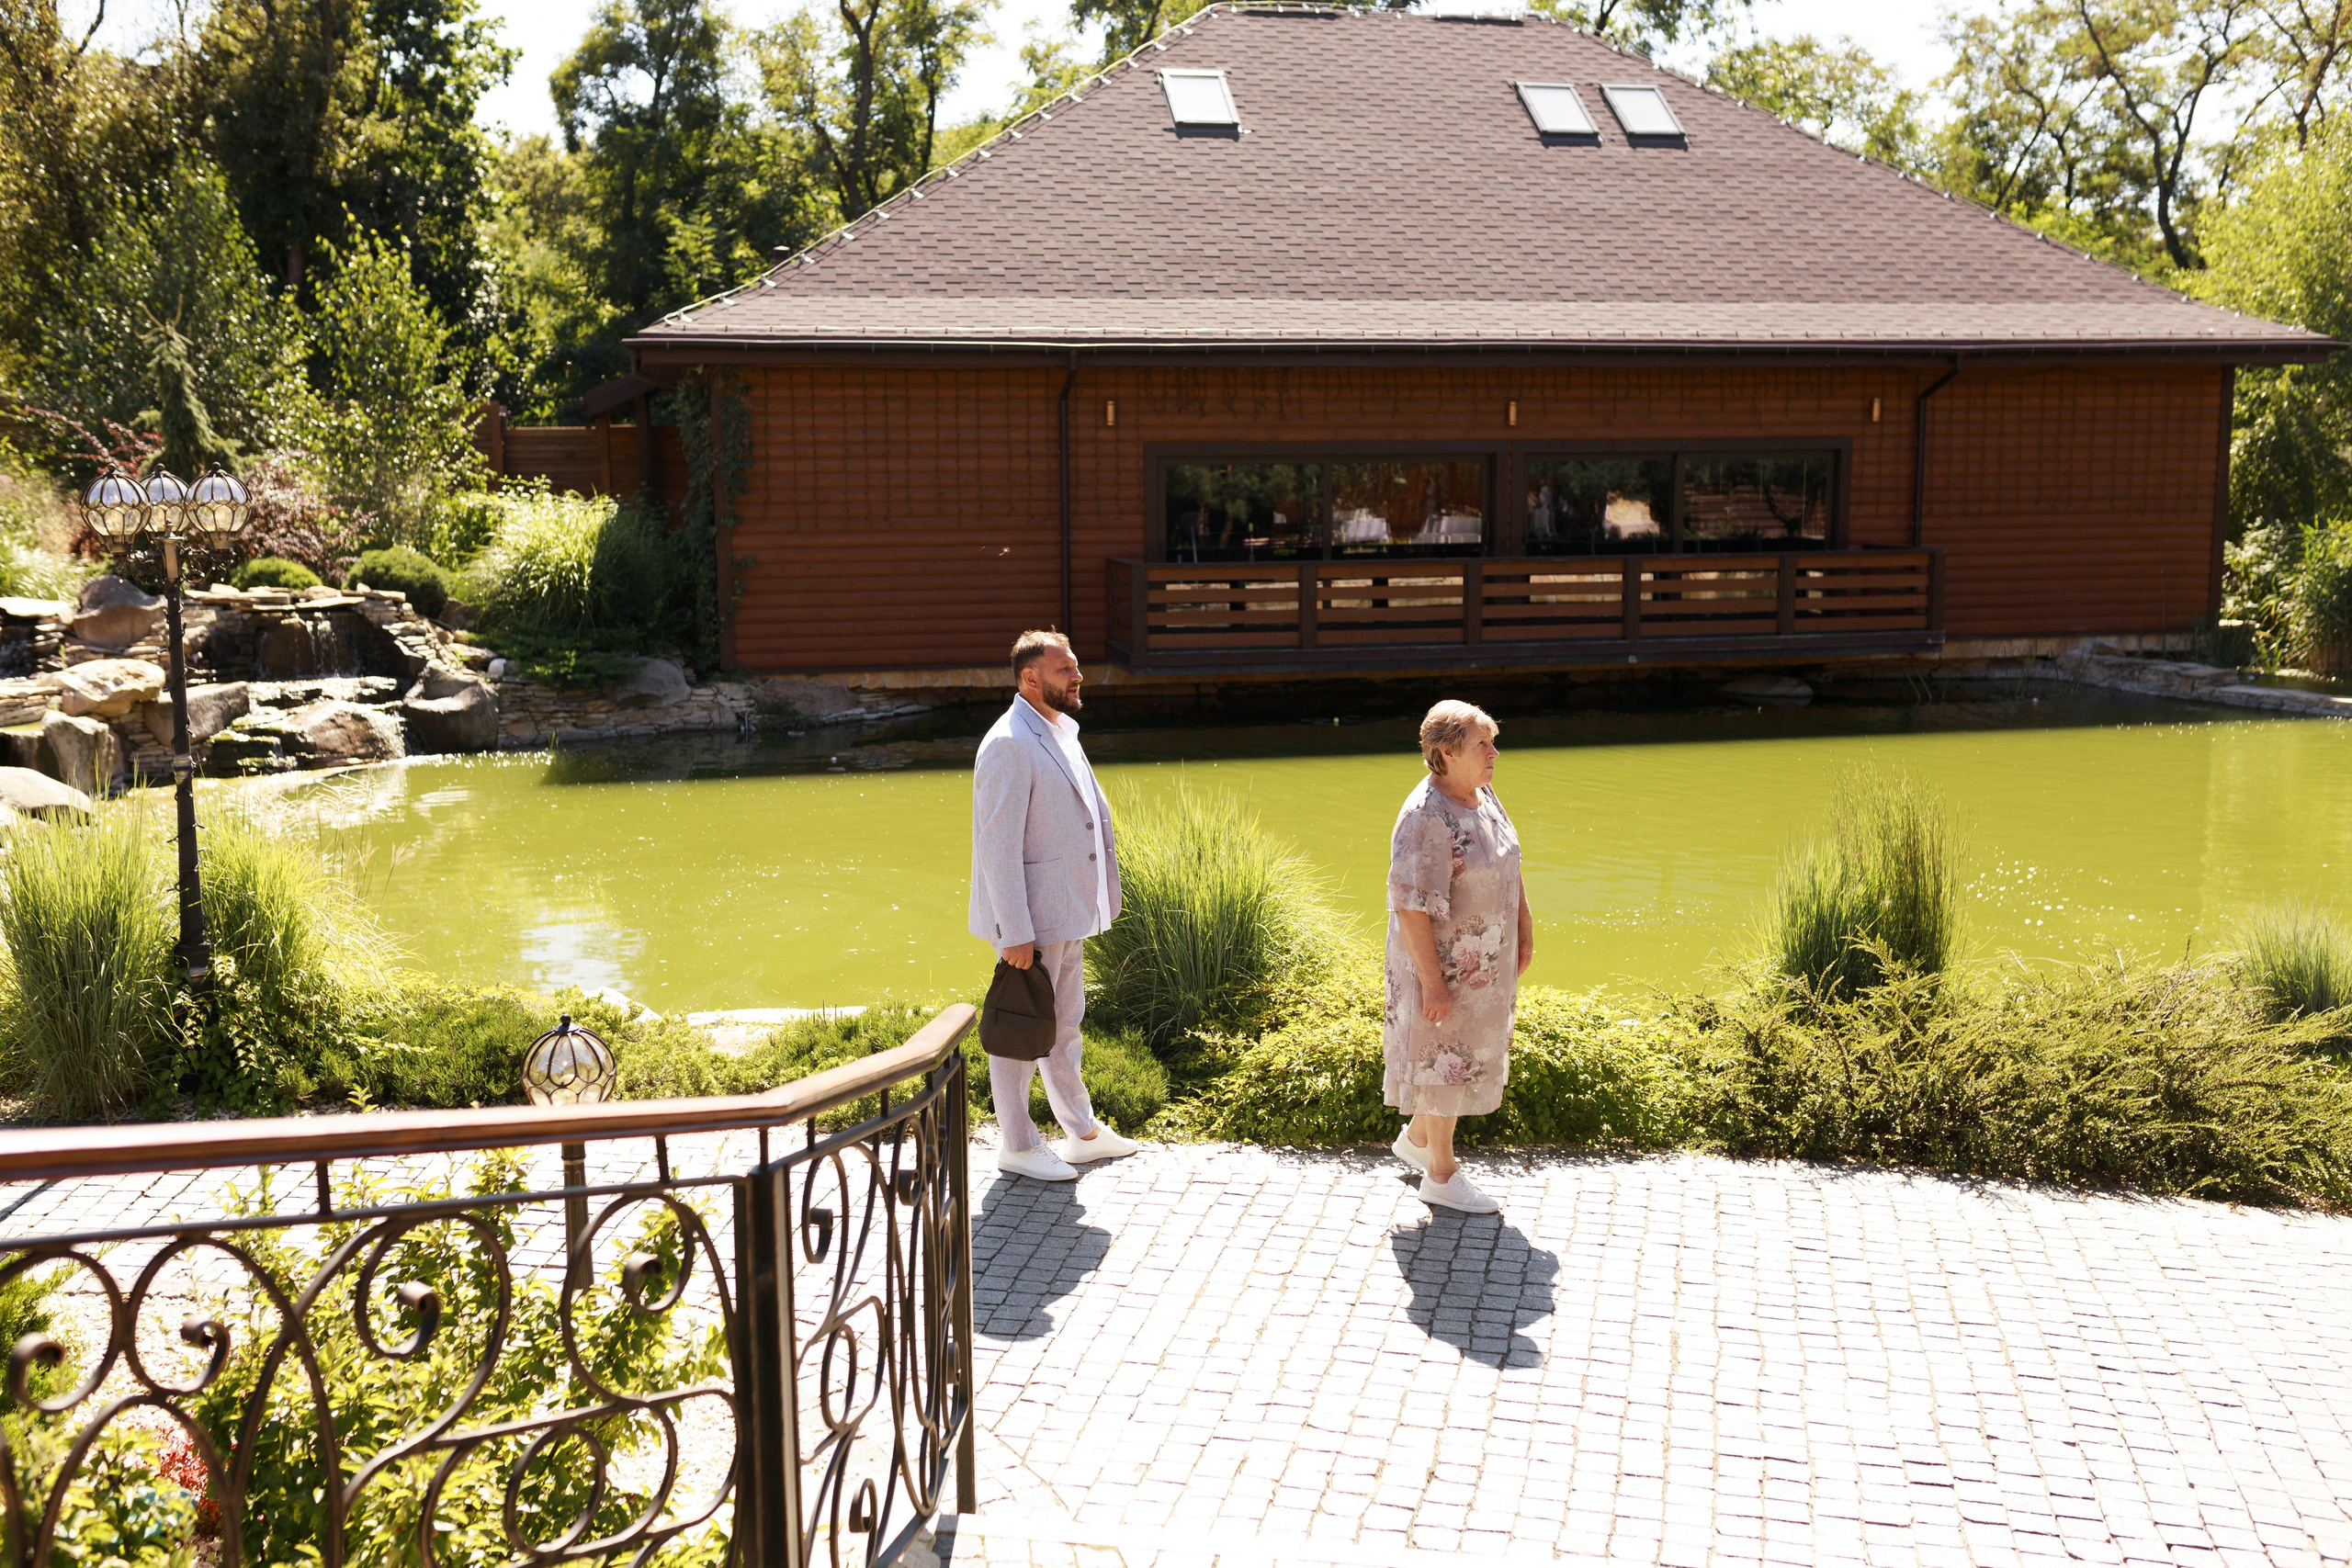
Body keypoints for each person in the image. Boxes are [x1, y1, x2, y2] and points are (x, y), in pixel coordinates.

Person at [968, 630, 1141, 1181]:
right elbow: (997, 849)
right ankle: (1017, 1145)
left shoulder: (1059, 729)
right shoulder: (1009, 743)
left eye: (1075, 666)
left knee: (1065, 1025)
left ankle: (1081, 1132)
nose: (1078, 676)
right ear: (1030, 678)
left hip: (1065, 910)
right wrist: (1014, 930)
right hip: (1032, 922)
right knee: (1021, 1030)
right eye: (1065, 669)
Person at [1384, 700, 1533, 1213]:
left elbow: (1509, 859)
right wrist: (1433, 983)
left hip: (1482, 963)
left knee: (1459, 1057)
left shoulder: (1481, 794)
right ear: (1446, 753)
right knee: (1443, 1062)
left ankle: (1418, 1141)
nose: (1494, 753)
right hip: (1442, 965)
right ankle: (1441, 1176)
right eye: (1482, 744)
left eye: (1493, 742)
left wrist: (1524, 927)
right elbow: (1409, 906)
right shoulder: (1425, 817)